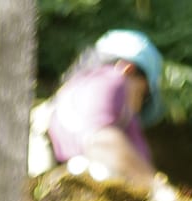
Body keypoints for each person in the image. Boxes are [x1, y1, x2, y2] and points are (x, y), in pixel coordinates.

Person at [38, 28, 164, 191]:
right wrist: (157, 189)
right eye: (143, 94)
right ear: (128, 69)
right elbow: (101, 142)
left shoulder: (76, 88)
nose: (140, 106)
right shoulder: (112, 79)